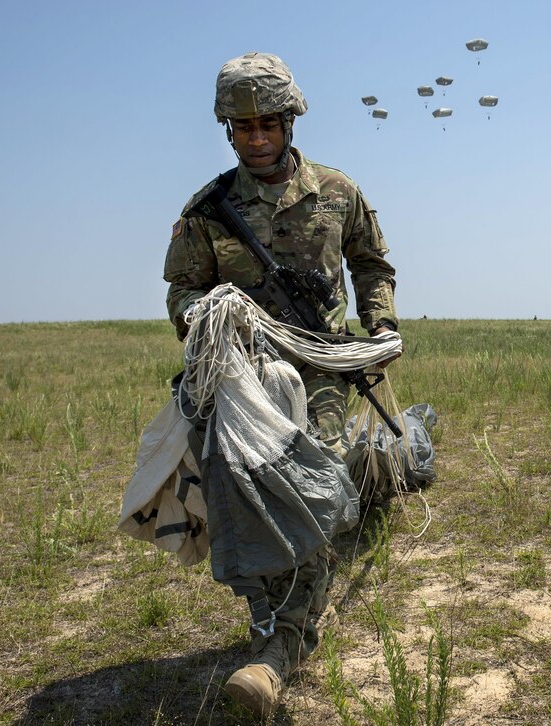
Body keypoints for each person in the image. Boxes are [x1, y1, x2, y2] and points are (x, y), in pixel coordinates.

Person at [162, 51, 399, 717]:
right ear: (227, 131)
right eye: (243, 128)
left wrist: (379, 328)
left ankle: (283, 647)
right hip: (241, 376)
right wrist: (205, 317)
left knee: (312, 485)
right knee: (236, 489)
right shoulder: (208, 210)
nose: (257, 138)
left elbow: (371, 263)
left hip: (321, 366)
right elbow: (183, 288)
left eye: (268, 124)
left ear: (290, 121)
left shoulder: (337, 192)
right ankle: (267, 605)